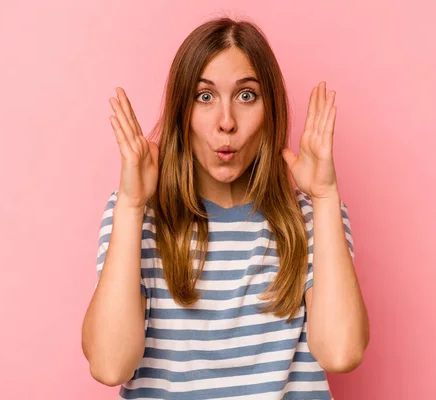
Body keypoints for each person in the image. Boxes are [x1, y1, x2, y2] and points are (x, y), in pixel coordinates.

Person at [82, 16, 369, 400]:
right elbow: (109, 365)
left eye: (246, 95)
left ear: (270, 111)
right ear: (181, 112)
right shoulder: (138, 217)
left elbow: (341, 351)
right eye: (205, 97)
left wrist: (326, 196)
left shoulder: (313, 216)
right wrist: (133, 206)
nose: (226, 123)